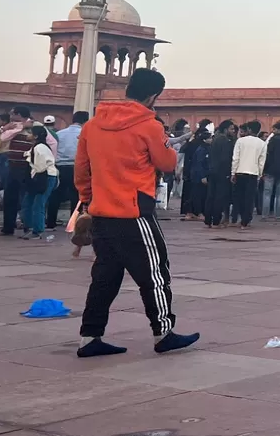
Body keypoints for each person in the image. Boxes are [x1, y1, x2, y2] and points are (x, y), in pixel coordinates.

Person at [75, 68, 198, 357]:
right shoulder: (149, 126)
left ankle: (90, 336)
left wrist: (87, 200)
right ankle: (163, 332)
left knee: (104, 276)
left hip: (102, 213)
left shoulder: (92, 125)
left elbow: (82, 169)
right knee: (154, 274)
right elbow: (167, 163)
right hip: (135, 214)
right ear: (153, 96)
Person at [47, 110, 87, 228]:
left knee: (56, 195)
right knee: (76, 196)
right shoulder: (84, 134)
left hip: (59, 167)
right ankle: (73, 223)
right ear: (85, 121)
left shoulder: (60, 134)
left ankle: (50, 223)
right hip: (76, 168)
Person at [21, 125, 59, 239]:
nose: (28, 135)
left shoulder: (40, 148)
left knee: (38, 204)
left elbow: (40, 167)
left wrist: (34, 178)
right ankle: (30, 227)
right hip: (40, 177)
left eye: (30, 133)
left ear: (36, 136)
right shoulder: (37, 147)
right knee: (28, 202)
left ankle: (37, 230)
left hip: (44, 177)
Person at [228, 121, 265, 230]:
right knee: (249, 198)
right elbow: (261, 161)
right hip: (253, 173)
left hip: (240, 172)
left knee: (238, 197)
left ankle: (235, 219)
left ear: (249, 129)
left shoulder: (240, 141)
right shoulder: (262, 143)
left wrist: (233, 173)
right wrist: (259, 174)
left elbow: (235, 158)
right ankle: (245, 222)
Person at [204, 120, 237, 229]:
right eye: (231, 129)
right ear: (225, 129)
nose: (233, 131)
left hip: (212, 171)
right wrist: (229, 172)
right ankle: (216, 221)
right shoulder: (225, 141)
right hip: (222, 172)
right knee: (220, 197)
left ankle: (208, 219)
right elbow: (225, 158)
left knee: (210, 195)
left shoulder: (215, 139)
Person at [261, 123, 280, 220]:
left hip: (271, 169)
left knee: (267, 193)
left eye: (274, 129)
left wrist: (264, 169)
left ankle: (265, 215)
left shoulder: (273, 140)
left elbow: (268, 155)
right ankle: (278, 215)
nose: (273, 131)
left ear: (279, 130)